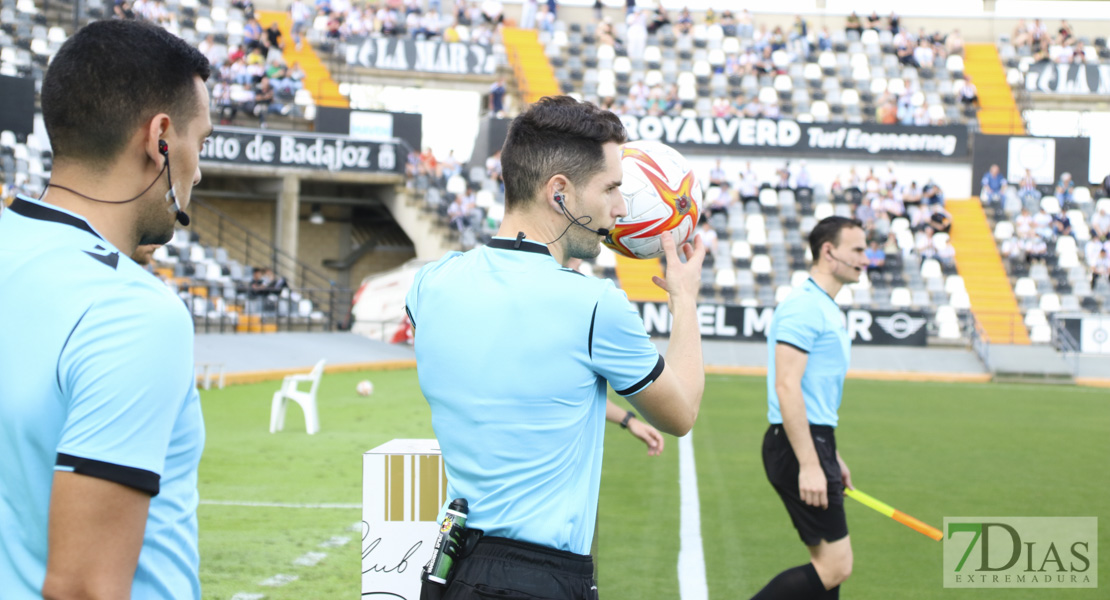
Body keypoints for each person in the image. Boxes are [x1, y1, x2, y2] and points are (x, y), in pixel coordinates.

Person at [406, 96, 705, 600]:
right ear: (559, 193)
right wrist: (684, 299)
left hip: (453, 571)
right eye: (611, 188)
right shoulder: (593, 306)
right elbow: (680, 413)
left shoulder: (429, 285)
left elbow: (533, 378)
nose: (621, 208)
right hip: (539, 579)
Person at [0, 19, 210, 600]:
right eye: (202, 141)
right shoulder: (129, 312)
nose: (199, 167)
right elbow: (85, 587)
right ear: (161, 139)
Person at [752, 216, 869, 600]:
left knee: (827, 570)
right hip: (796, 445)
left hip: (816, 440)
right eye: (858, 250)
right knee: (837, 565)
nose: (865, 259)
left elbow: (816, 395)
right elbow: (787, 386)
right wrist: (811, 462)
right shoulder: (804, 307)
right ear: (828, 251)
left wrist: (830, 455)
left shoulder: (825, 306)